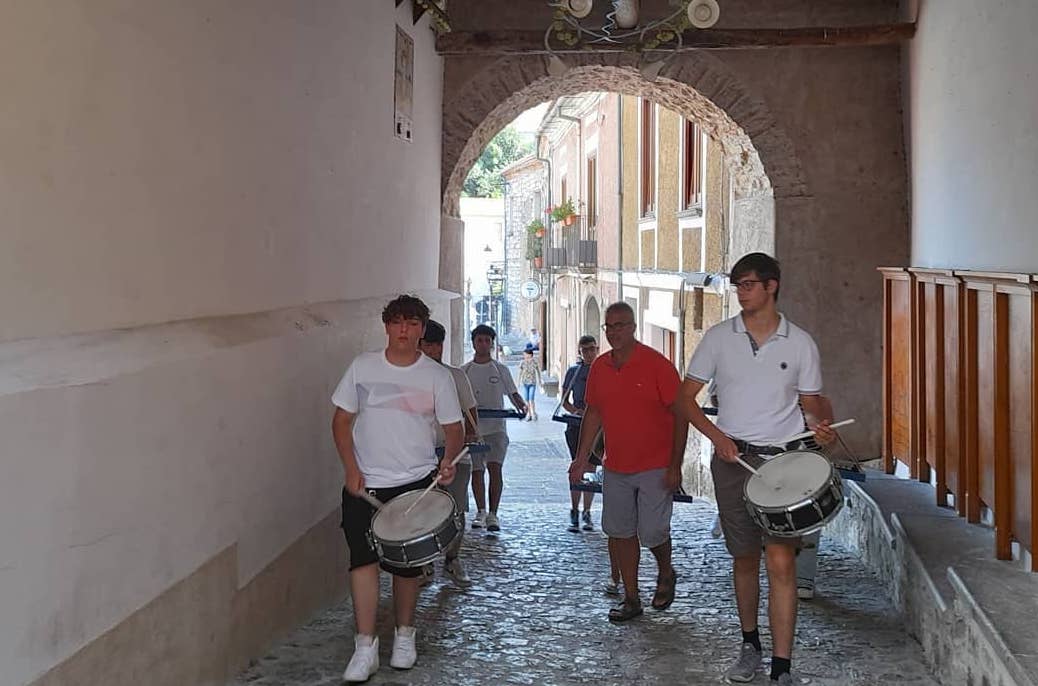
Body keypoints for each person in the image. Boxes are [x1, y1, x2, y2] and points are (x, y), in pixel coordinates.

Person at [676, 253, 835, 686]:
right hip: (733, 462)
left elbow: (816, 406)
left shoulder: (800, 342)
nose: (741, 292)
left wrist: (823, 432)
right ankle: (750, 646)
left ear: (771, 286)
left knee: (781, 562)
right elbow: (684, 398)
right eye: (737, 284)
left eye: (748, 284)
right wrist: (717, 437)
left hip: (785, 460)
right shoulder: (718, 338)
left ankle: (782, 668)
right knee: (744, 560)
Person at [330, 295, 464, 682]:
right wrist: (350, 468)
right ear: (387, 326)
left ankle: (405, 636)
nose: (404, 331)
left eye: (412, 323)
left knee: (406, 567)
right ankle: (365, 646)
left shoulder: (437, 377)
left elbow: (454, 429)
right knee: (362, 563)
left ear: (422, 329)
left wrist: (448, 461)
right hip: (365, 483)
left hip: (415, 484)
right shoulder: (362, 367)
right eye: (397, 323)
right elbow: (340, 422)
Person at [568, 302, 688, 622]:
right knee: (620, 531)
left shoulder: (657, 365)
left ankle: (665, 571)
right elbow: (594, 412)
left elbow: (681, 415)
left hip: (655, 463)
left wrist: (676, 464)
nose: (613, 332)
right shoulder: (601, 367)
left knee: (652, 531)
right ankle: (631, 597)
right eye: (608, 327)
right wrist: (582, 459)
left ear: (633, 327)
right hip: (616, 464)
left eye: (620, 325)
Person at [418, 319, 479, 588]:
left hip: (455, 454)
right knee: (423, 510)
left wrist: (470, 433)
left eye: (438, 344)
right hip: (421, 455)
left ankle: (452, 559)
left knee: (456, 508)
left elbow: (470, 410)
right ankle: (424, 563)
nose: (434, 350)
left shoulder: (455, 375)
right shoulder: (410, 377)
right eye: (429, 345)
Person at [463, 324, 527, 533]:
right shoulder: (465, 371)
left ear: (492, 343)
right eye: (479, 340)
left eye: (487, 340)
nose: (483, 344)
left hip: (496, 429)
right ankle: (480, 510)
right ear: (473, 343)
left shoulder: (500, 369)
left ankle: (493, 513)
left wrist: (522, 406)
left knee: (495, 468)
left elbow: (512, 393)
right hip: (474, 429)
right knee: (477, 470)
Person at [561, 334, 600, 532]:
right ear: (580, 352)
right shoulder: (574, 372)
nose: (589, 353)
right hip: (576, 426)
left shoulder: (604, 371)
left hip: (598, 429)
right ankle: (574, 510)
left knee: (591, 468)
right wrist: (577, 411)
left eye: (592, 349)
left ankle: (587, 511)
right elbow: (565, 401)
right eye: (585, 350)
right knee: (577, 466)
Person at [517, 346, 542, 421]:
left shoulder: (534, 362)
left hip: (532, 382)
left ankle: (533, 413)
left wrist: (539, 380)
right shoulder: (522, 362)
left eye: (526, 355)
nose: (525, 356)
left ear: (530, 355)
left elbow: (538, 371)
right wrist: (518, 381)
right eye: (524, 355)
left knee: (531, 399)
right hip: (525, 383)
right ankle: (529, 413)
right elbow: (520, 372)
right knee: (526, 399)